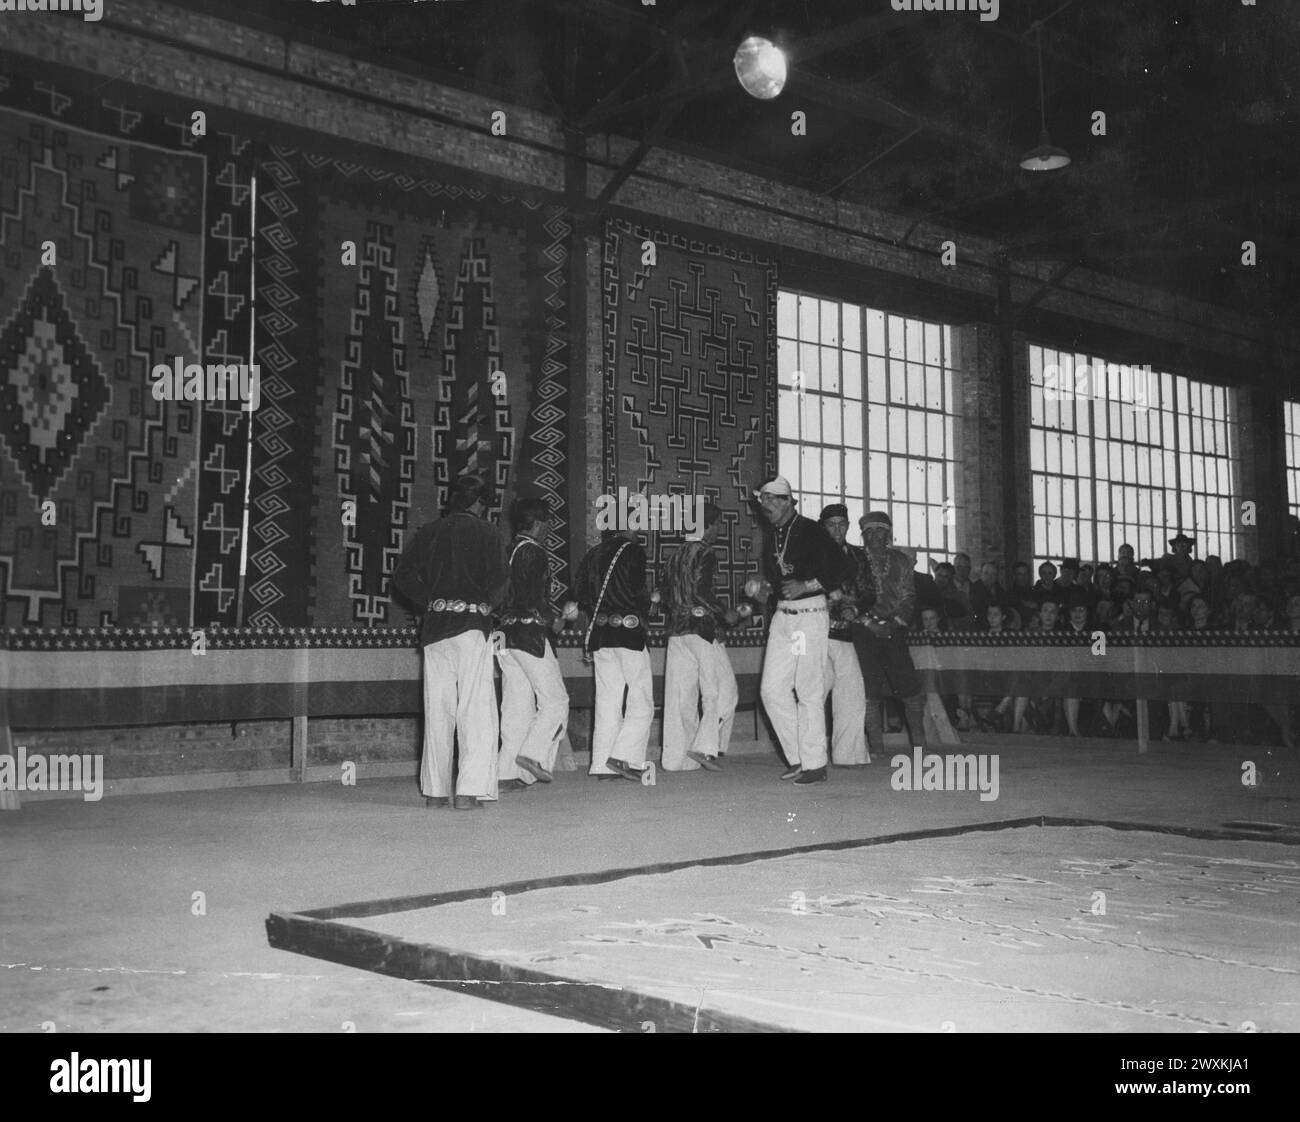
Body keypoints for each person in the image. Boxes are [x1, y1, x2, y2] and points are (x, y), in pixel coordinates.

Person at [392, 473, 508, 811]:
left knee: (437, 709)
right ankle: (469, 792)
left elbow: (402, 576)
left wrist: (429, 600)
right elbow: (502, 581)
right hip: (471, 626)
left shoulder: (428, 532)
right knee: (475, 709)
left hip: (435, 628)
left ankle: (436, 792)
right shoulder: (488, 532)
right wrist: (487, 603)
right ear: (477, 503)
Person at [752, 476, 854, 786]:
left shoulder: (811, 530)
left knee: (808, 690)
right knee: (771, 690)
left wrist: (808, 585)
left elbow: (844, 568)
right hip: (784, 619)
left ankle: (815, 764)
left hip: (808, 619)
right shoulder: (774, 535)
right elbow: (781, 580)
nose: (765, 506)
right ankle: (798, 757)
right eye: (763, 501)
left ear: (786, 501)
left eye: (770, 500)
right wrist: (764, 590)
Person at [659, 503, 740, 773]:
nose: (718, 531)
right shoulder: (705, 552)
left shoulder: (673, 555)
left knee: (680, 697)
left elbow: (664, 596)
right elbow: (702, 590)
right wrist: (724, 612)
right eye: (717, 525)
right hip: (702, 630)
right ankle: (705, 747)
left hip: (677, 632)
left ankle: (676, 760)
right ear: (708, 525)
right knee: (721, 691)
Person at [497, 497, 570, 791]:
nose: (549, 529)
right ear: (539, 524)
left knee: (516, 706)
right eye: (548, 524)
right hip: (529, 635)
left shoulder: (507, 550)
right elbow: (532, 597)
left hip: (504, 637)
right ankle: (532, 755)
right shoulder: (534, 552)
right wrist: (552, 619)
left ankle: (506, 773)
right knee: (556, 700)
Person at [575, 526, 653, 781]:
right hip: (628, 633)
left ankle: (601, 764)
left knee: (607, 700)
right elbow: (638, 593)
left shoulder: (594, 553)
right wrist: (649, 604)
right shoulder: (633, 551)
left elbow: (581, 593)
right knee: (641, 698)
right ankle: (625, 757)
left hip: (600, 634)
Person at [851, 510, 927, 756]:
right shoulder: (854, 561)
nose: (874, 536)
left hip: (894, 629)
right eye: (869, 531)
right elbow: (849, 599)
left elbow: (909, 596)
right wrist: (868, 622)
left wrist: (893, 623)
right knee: (869, 688)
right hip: (863, 630)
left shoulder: (901, 561)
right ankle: (876, 746)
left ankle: (919, 743)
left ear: (888, 534)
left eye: (879, 530)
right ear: (862, 535)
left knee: (908, 686)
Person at [820, 503, 868, 766]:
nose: (837, 530)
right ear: (823, 526)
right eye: (831, 524)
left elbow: (868, 591)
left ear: (848, 526)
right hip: (818, 631)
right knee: (815, 693)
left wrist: (856, 607)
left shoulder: (858, 557)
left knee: (852, 693)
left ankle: (848, 755)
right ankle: (808, 754)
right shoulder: (813, 554)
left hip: (845, 633)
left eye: (842, 524)